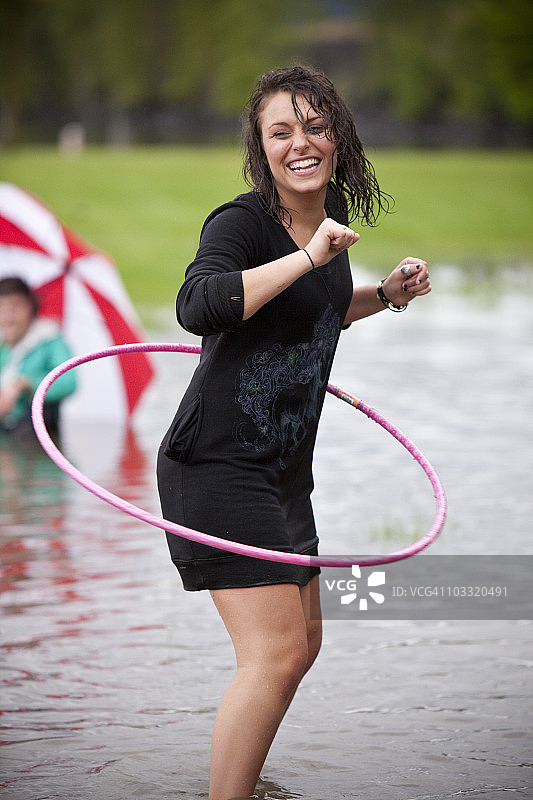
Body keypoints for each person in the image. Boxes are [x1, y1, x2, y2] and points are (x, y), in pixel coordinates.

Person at [157, 65, 431, 800]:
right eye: (282, 131)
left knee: (302, 646)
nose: (300, 143)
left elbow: (315, 308)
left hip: (282, 470)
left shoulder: (332, 208)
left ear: (337, 137)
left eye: (314, 126)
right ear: (261, 146)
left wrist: (387, 295)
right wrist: (309, 255)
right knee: (273, 654)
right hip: (216, 462)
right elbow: (198, 305)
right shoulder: (241, 223)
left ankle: (244, 783)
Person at [0, 277, 76, 438]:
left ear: (31, 307)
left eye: (16, 307)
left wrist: (26, 384)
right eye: (2, 307)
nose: (9, 315)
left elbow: (69, 380)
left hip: (37, 430)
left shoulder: (48, 339)